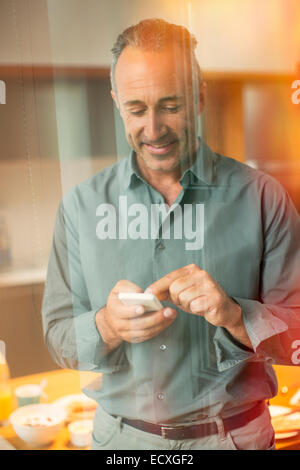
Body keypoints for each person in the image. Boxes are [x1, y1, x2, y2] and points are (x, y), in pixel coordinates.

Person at [42, 18, 300, 450]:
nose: (154, 129)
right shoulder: (81, 207)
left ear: (199, 97)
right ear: (116, 102)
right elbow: (58, 336)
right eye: (136, 109)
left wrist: (236, 316)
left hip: (233, 439)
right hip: (121, 444)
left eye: (171, 105)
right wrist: (106, 325)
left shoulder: (263, 198)